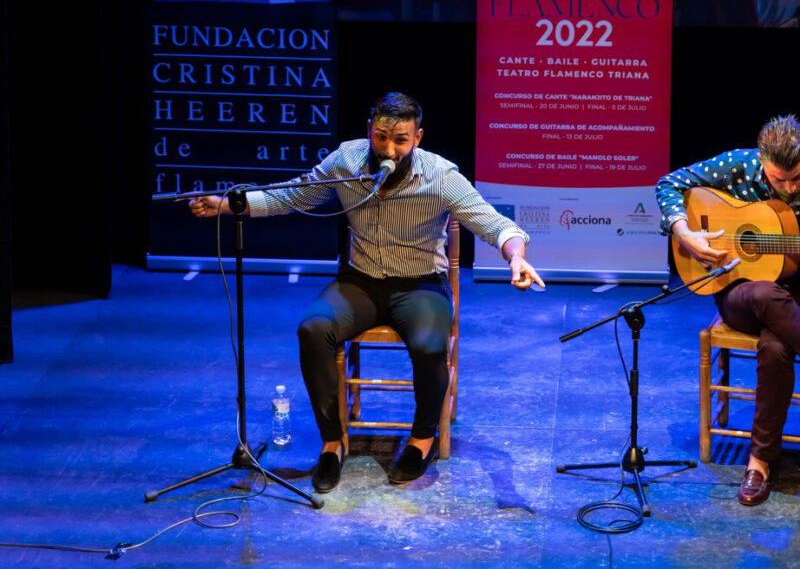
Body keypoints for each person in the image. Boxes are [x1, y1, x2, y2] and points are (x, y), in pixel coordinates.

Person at [189, 92, 545, 492]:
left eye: (401, 140)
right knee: (312, 329)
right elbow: (295, 194)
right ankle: (332, 442)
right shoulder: (346, 161)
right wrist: (226, 205)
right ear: (369, 131)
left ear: (418, 138)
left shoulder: (441, 176)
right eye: (381, 137)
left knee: (430, 347)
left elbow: (495, 224)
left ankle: (421, 439)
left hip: (420, 286)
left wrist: (516, 257)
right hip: (360, 283)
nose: (389, 148)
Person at [655, 114, 800, 506]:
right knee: (765, 293)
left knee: (777, 348)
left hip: (798, 293)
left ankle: (759, 463)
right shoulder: (737, 165)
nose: (787, 187)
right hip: (737, 291)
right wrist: (685, 233)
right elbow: (668, 184)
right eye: (777, 179)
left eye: (796, 177)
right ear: (761, 158)